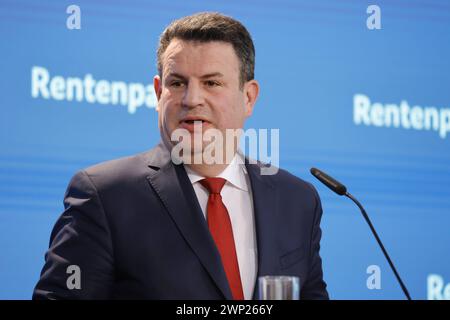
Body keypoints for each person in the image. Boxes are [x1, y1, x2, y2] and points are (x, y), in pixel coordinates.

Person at [33, 12, 328, 300]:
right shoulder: (104, 196)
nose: (191, 99)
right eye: (177, 83)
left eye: (211, 83)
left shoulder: (298, 201)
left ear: (248, 97)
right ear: (158, 92)